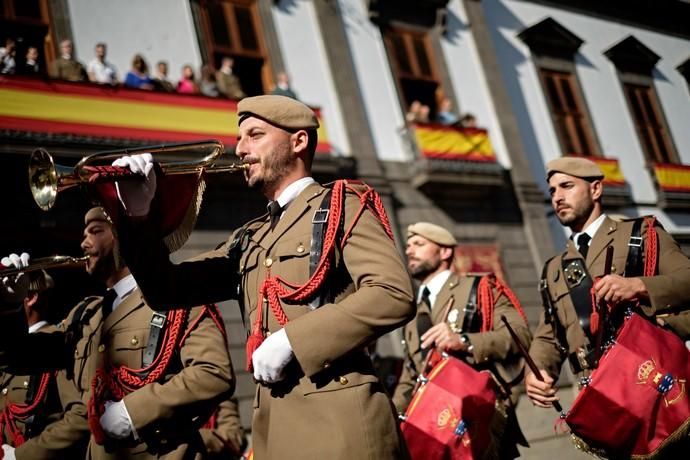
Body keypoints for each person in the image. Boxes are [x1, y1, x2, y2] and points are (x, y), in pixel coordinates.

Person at [109, 94, 416, 459]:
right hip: (274, 430)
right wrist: (139, 216)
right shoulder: (249, 237)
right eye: (240, 138)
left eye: (254, 135)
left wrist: (293, 340)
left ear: (298, 141)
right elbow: (166, 289)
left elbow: (392, 292)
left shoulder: (340, 204)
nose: (240, 149)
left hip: (340, 426)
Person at [0, 207, 235, 459]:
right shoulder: (85, 315)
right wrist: (11, 305)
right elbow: (17, 357)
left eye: (95, 231)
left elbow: (213, 374)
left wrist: (131, 412)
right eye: (84, 233)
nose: (83, 242)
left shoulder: (178, 297)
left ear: (122, 236)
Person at [526, 157, 690, 410]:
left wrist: (639, 286)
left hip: (649, 382)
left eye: (566, 186)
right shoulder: (554, 269)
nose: (557, 197)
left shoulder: (640, 234)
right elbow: (549, 334)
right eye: (552, 190)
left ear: (596, 189)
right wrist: (536, 371)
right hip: (596, 396)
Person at [393, 222, 531, 459]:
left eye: (419, 244)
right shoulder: (411, 312)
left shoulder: (479, 288)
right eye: (408, 245)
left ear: (445, 252)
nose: (409, 251)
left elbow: (520, 335)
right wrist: (392, 417)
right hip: (437, 432)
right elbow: (412, 374)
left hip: (480, 421)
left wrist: (465, 340)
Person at [0, 268, 88, 460]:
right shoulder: (8, 351)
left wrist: (20, 455)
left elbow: (79, 417)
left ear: (30, 297)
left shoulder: (57, 345)